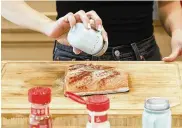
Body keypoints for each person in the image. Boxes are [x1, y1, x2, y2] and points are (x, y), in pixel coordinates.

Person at [2, 1, 182, 61]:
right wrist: (47, 26)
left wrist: (178, 29)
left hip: (143, 57)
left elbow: (168, 4)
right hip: (74, 57)